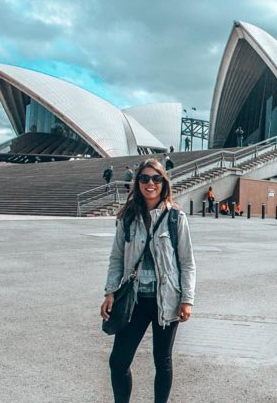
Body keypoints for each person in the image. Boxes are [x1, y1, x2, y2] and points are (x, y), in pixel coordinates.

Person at [100, 158, 196, 403]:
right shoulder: (127, 217)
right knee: (118, 361)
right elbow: (116, 258)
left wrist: (187, 300)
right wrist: (110, 292)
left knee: (162, 359)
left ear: (163, 183)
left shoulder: (176, 218)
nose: (150, 183)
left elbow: (186, 262)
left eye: (155, 178)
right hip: (135, 299)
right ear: (138, 182)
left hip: (167, 299)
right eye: (144, 178)